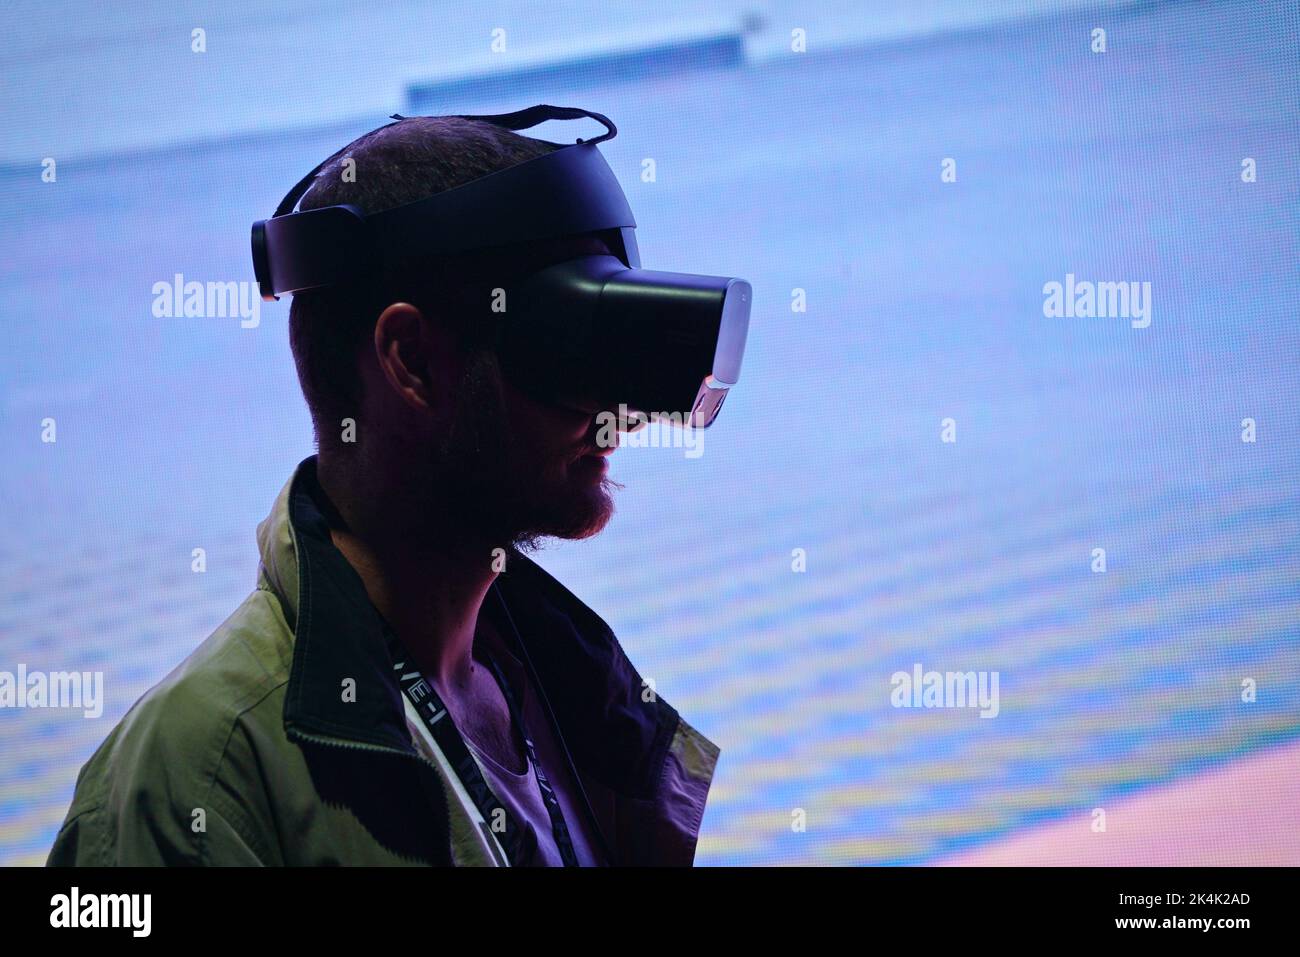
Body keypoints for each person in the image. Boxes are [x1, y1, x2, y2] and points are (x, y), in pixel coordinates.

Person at [45, 114, 720, 866]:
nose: (617, 413)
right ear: (411, 362)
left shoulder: (562, 688)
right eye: (569, 348)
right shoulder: (193, 784)